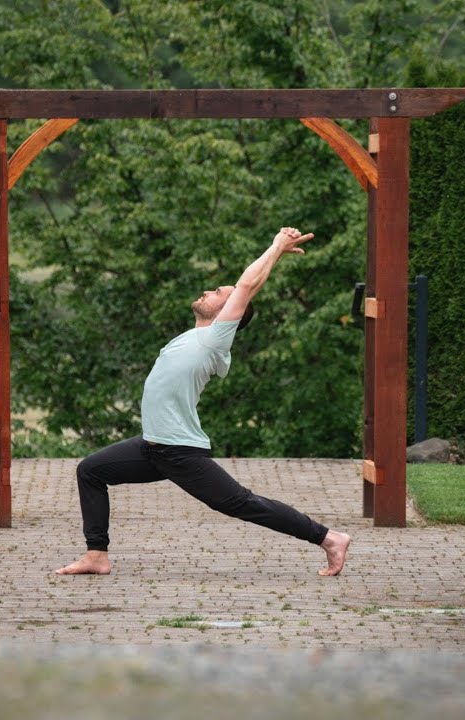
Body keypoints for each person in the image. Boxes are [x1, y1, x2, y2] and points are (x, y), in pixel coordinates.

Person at [56, 226, 352, 577]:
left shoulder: (215, 339)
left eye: (217, 293)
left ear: (232, 314)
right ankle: (96, 555)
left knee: (241, 503)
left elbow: (246, 286)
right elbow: (244, 288)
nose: (208, 291)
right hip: (153, 446)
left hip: (177, 451)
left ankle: (329, 538)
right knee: (90, 470)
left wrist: (275, 246)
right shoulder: (195, 336)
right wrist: (273, 256)